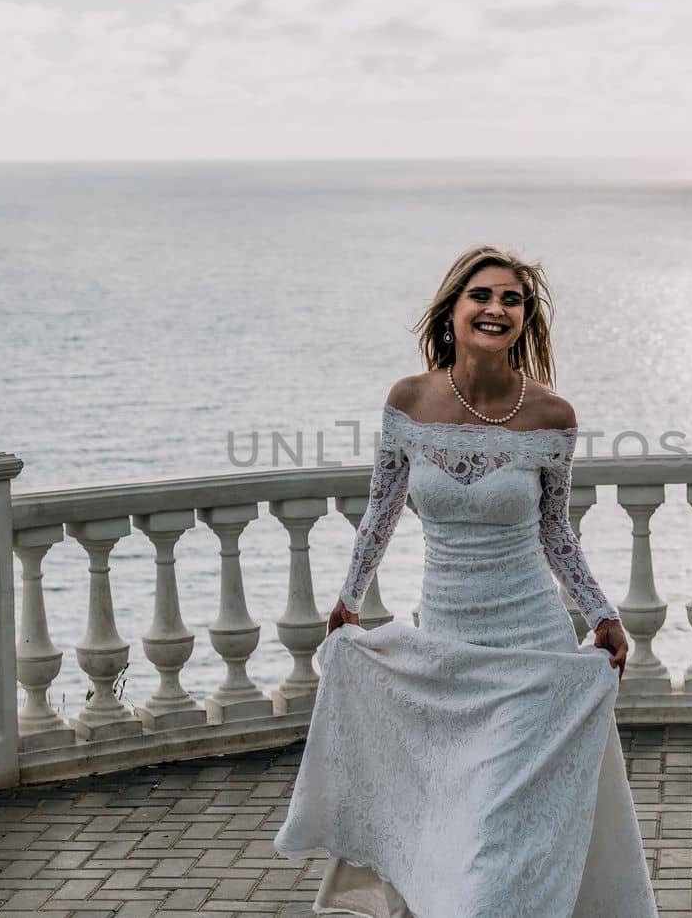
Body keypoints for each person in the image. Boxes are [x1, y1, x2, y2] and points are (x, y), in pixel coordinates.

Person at [273, 245, 659, 918]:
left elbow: (555, 530)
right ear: (453, 308)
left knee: (500, 843)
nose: (496, 308)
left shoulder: (551, 417)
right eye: (482, 294)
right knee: (458, 825)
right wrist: (347, 600)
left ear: (524, 320)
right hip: (446, 647)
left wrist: (602, 612)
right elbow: (380, 513)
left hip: (531, 649)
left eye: (513, 299)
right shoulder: (408, 402)